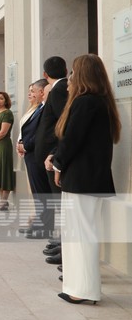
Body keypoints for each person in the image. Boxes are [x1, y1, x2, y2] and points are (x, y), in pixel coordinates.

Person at [51, 54, 120, 304]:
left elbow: (72, 140)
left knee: (79, 236)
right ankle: (82, 287)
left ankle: (81, 290)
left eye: (73, 72)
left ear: (81, 74)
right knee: (84, 235)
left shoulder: (85, 103)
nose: (69, 77)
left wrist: (57, 163)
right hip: (93, 180)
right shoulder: (101, 102)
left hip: (82, 180)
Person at [32, 56, 69, 247]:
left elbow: (64, 124)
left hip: (53, 156)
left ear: (45, 75)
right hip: (50, 156)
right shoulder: (59, 88)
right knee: (55, 200)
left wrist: (54, 152)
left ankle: (61, 243)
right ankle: (59, 241)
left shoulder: (60, 89)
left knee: (59, 201)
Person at [16, 79, 48, 232]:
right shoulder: (38, 108)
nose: (31, 94)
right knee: (37, 192)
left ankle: (43, 225)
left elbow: (41, 133)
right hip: (30, 153)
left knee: (42, 192)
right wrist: (21, 143)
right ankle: (39, 221)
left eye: (33, 91)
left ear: (42, 92)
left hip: (36, 153)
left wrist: (26, 145)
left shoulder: (44, 108)